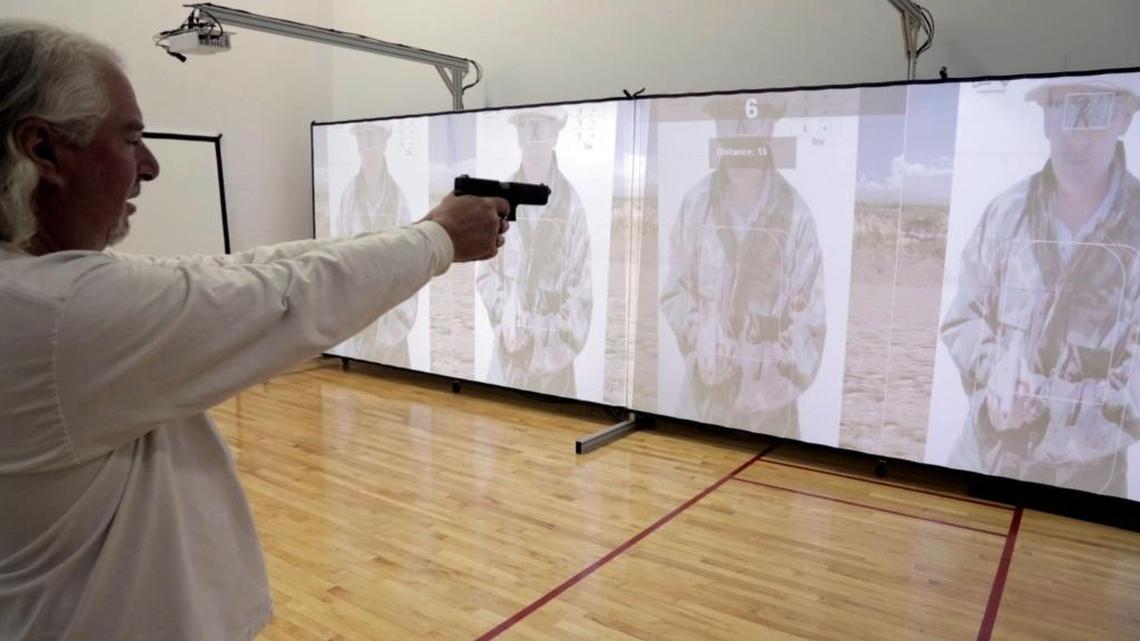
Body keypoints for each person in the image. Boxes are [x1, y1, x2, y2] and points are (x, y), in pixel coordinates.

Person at [0, 22, 507, 640]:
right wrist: (439, 239)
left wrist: (423, 233)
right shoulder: (58, 315)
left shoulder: (37, 289)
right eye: (131, 138)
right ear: (42, 150)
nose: (151, 164)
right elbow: (286, 298)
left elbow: (229, 273)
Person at [940, 75, 1140, 496]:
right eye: (1059, 109)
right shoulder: (1005, 214)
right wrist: (995, 371)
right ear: (1044, 119)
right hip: (982, 464)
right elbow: (962, 320)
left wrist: (1041, 405)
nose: (1074, 134)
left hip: (1085, 490)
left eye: (1092, 111)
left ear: (1125, 116)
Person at [659, 94, 826, 438]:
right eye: (733, 141)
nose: (741, 152)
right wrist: (702, 337)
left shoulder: (797, 217)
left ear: (768, 136)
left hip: (769, 420)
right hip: (697, 405)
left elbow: (809, 330)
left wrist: (743, 365)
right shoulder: (695, 204)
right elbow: (673, 293)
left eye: (749, 141)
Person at [476, 106, 592, 396]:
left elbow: (581, 300)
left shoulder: (573, 207)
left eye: (543, 127)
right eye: (527, 127)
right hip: (505, 364)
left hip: (556, 376)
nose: (534, 136)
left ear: (556, 134)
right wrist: (506, 317)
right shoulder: (498, 198)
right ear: (517, 135)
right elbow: (486, 274)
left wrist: (536, 335)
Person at [334, 120, 418, 367]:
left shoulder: (400, 200)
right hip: (357, 332)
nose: (368, 143)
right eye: (363, 136)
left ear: (385, 141)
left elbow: (411, 270)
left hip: (394, 337)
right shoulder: (347, 198)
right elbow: (340, 262)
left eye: (374, 135)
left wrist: (395, 329)